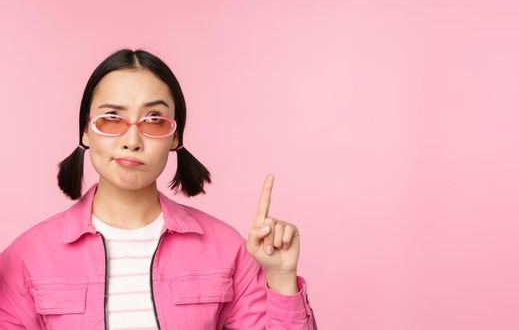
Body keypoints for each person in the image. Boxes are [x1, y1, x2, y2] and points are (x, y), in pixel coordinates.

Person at [0, 49, 318, 329]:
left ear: (175, 136)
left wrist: (280, 278)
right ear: (86, 130)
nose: (132, 140)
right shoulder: (25, 258)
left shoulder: (226, 250)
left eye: (154, 120)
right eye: (111, 119)